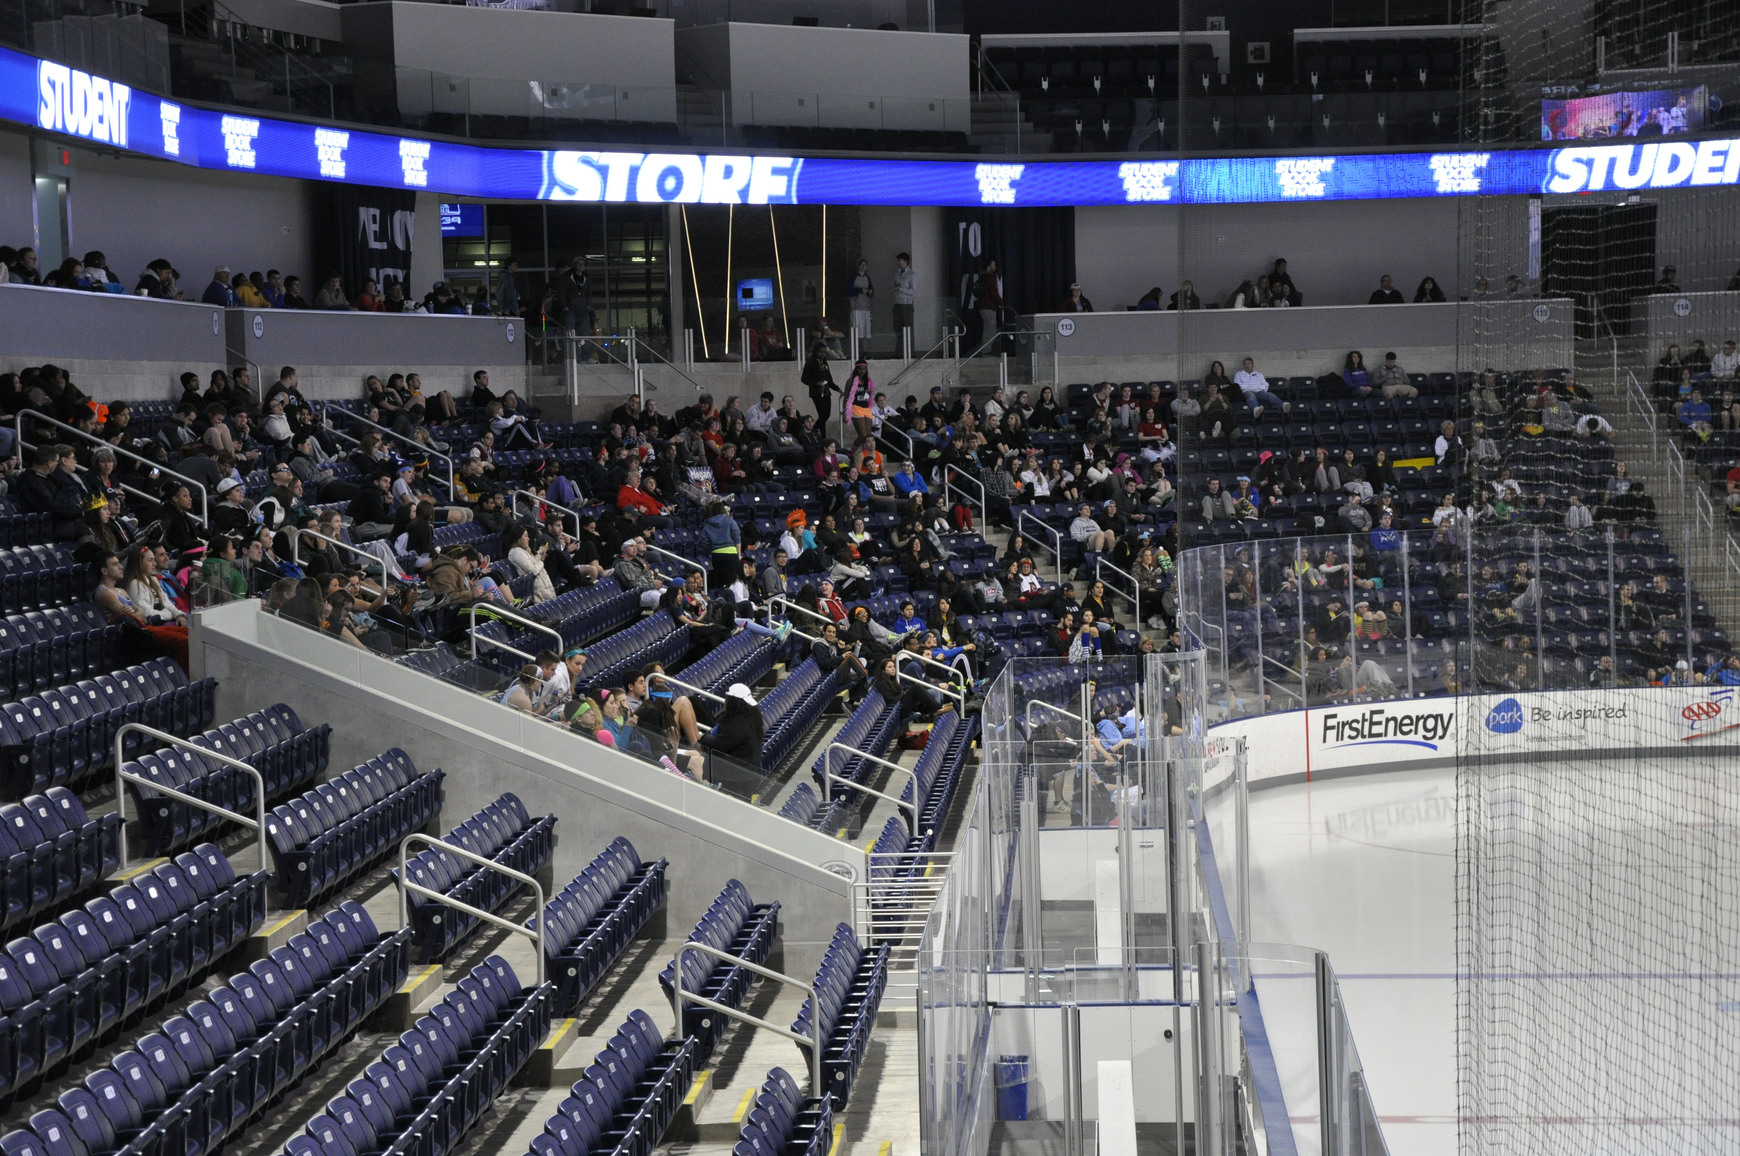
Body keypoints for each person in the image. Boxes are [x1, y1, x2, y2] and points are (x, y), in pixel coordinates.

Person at [95, 551, 189, 668]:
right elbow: (131, 616)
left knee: (188, 632)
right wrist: (137, 614)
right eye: (115, 564)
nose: (121, 567)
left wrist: (137, 614)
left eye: (119, 563)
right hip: (132, 636)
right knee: (184, 641)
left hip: (142, 628)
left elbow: (139, 614)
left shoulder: (121, 591)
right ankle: (185, 674)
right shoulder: (104, 593)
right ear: (104, 571)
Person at [802, 342, 838, 427]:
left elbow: (829, 380)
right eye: (820, 352)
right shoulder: (810, 362)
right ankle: (815, 430)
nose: (822, 354)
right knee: (822, 415)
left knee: (827, 414)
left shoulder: (824, 362)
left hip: (826, 391)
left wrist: (839, 390)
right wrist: (815, 383)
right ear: (815, 352)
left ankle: (816, 430)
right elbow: (804, 378)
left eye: (824, 352)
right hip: (816, 392)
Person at [974, 259, 1003, 351]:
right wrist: (1001, 303)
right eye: (993, 265)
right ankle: (986, 350)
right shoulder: (989, 278)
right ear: (989, 266)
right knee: (990, 329)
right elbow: (993, 292)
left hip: (982, 306)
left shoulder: (981, 277)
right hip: (989, 306)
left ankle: (986, 349)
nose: (995, 267)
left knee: (988, 328)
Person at [846, 258, 874, 341]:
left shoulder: (867, 277)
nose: (863, 267)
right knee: (856, 329)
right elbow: (849, 291)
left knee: (865, 330)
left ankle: (864, 346)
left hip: (866, 306)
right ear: (859, 266)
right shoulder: (854, 277)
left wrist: (870, 291)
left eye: (865, 265)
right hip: (856, 306)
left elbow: (871, 289)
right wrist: (860, 290)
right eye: (862, 265)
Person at [892, 252, 916, 341]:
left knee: (908, 328)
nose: (898, 262)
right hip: (897, 304)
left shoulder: (911, 274)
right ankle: (900, 349)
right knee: (897, 329)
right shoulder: (896, 274)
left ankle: (909, 349)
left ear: (905, 261)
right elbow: (894, 286)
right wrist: (895, 288)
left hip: (907, 305)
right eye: (898, 261)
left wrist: (901, 289)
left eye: (900, 260)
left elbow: (913, 291)